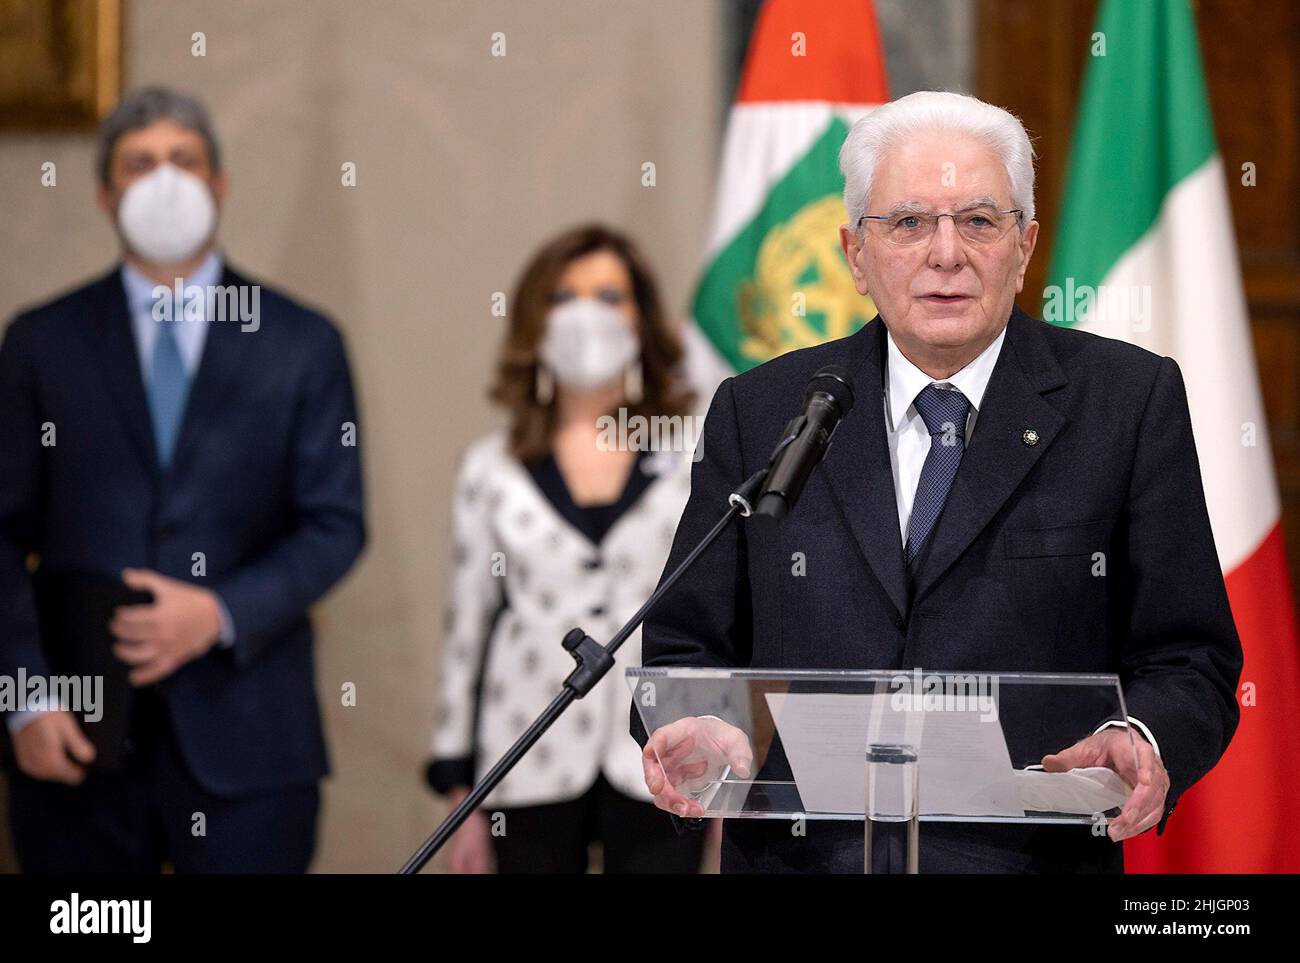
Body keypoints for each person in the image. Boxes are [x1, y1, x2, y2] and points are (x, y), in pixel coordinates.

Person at [632, 90, 1243, 873]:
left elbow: (1191, 656)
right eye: (910, 222)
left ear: (1025, 245)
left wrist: (1140, 736)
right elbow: (684, 641)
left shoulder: (1125, 404)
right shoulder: (762, 411)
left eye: (980, 221)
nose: (946, 253)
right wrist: (704, 724)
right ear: (855, 254)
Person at [0, 86, 365, 872]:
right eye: (139, 165)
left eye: (183, 161)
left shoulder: (302, 342)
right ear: (105, 194)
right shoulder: (41, 342)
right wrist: (22, 695)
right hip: (76, 739)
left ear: (219, 185)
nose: (164, 181)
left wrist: (221, 611)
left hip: (253, 746)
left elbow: (336, 523)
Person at [427, 224, 706, 873]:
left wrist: (730, 779)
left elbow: (721, 613)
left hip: (664, 755)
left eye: (610, 295)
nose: (587, 314)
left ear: (642, 319)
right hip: (525, 756)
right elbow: (466, 630)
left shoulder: (696, 453)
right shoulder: (490, 467)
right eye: (565, 296)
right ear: (535, 320)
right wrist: (458, 790)